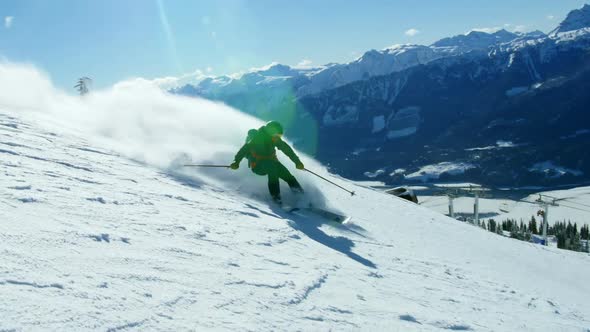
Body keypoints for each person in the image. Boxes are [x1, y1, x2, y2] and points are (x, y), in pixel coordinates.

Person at [230, 121, 304, 204]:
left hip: (272, 162)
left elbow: (287, 150)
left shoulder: (274, 138)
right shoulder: (257, 138)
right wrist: (236, 162)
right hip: (257, 165)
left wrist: (297, 162)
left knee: (288, 175)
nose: (278, 137)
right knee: (272, 169)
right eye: (277, 135)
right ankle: (276, 198)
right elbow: (244, 150)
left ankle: (302, 197)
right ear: (271, 131)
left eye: (279, 136)